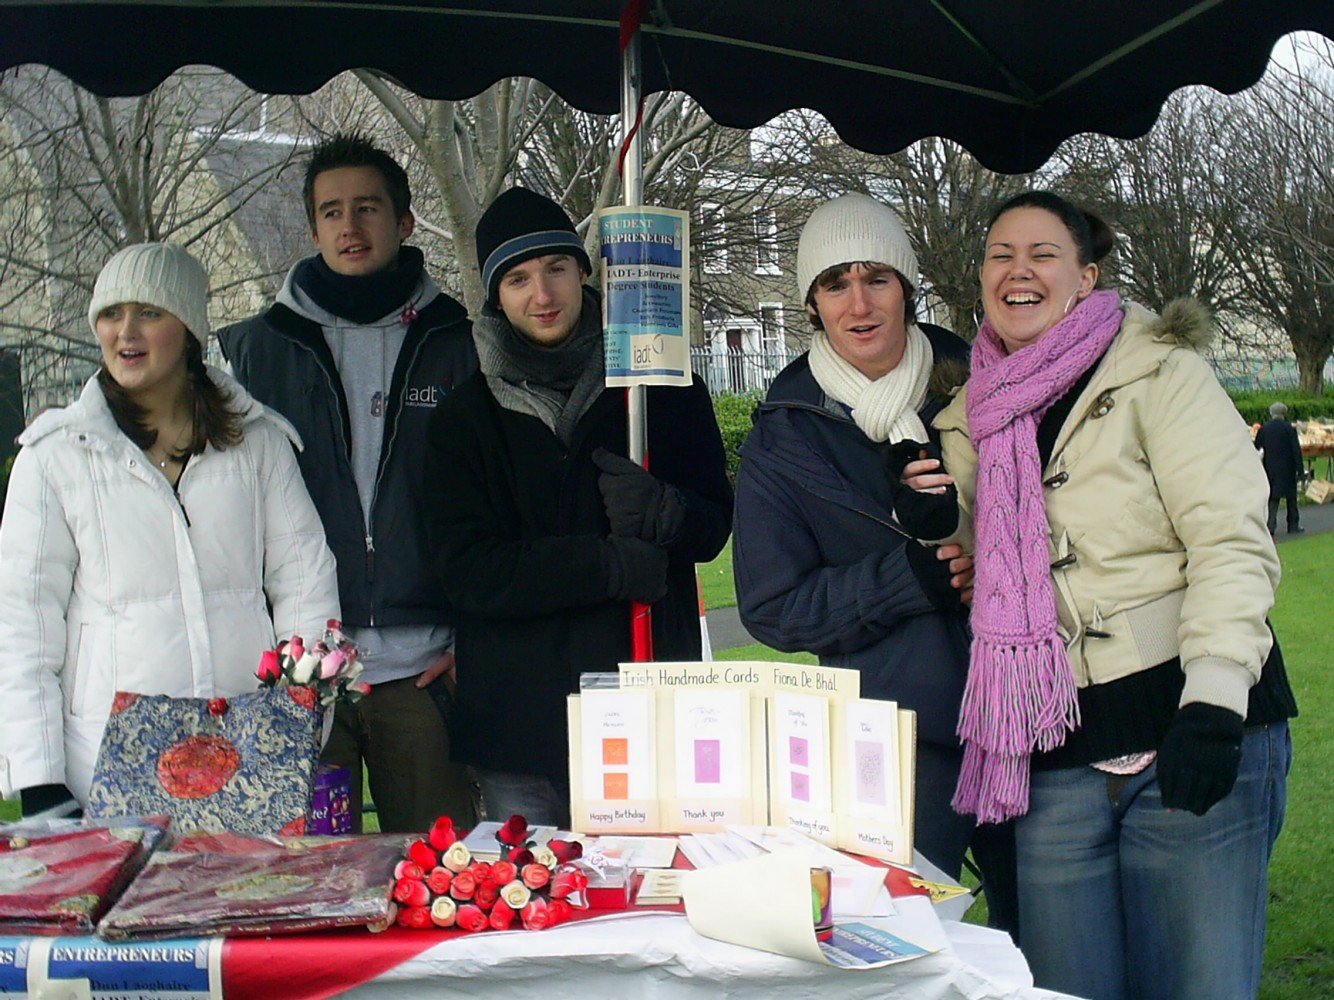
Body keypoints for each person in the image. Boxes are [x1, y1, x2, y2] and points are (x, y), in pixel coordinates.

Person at [934, 191, 1298, 1000]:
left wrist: (1212, 703)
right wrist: (934, 516)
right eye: (1000, 254)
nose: (1017, 270)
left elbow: (1232, 541)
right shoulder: (971, 415)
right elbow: (972, 560)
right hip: (1053, 749)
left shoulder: (1161, 369)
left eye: (1042, 253)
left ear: (1087, 275)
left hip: (1190, 726)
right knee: (1066, 989)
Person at [731, 193, 1017, 924]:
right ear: (812, 303)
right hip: (901, 744)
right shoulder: (785, 433)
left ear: (907, 287)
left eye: (877, 277)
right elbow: (770, 607)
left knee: (1042, 954)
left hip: (1028, 712)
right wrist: (906, 580)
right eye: (835, 283)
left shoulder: (989, 381)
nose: (859, 303)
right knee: (910, 949)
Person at [421, 187, 733, 827]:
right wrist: (604, 567)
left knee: (647, 905)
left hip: (644, 702)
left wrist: (669, 511)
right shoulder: (464, 417)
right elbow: (470, 571)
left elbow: (713, 525)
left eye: (557, 268)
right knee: (536, 906)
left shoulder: (662, 389)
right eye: (518, 278)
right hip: (520, 720)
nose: (543, 294)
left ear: (584, 272)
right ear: (494, 295)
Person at [0, 242, 339, 815]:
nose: (124, 331)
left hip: (246, 758)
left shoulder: (259, 443)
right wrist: (38, 778)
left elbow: (305, 582)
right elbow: (22, 622)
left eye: (149, 313)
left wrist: (298, 718)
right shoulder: (55, 456)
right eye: (110, 314)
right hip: (106, 766)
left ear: (189, 328)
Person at [218, 133, 478, 833]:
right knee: (305, 895)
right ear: (312, 228)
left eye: (367, 208)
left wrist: (474, 640)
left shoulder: (460, 340)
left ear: (404, 222)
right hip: (297, 673)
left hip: (422, 671)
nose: (349, 226)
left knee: (441, 891)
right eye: (331, 211)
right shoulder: (253, 349)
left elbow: (496, 504)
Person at [1255, 401, 1305, 535]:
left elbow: (1258, 446)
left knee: (1273, 497)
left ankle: (1270, 525)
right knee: (1291, 497)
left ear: (1271, 413)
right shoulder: (1289, 428)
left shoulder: (1264, 429)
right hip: (1288, 467)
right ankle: (1293, 525)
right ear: (1284, 413)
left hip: (1270, 467)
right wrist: (1300, 470)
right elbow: (1296, 451)